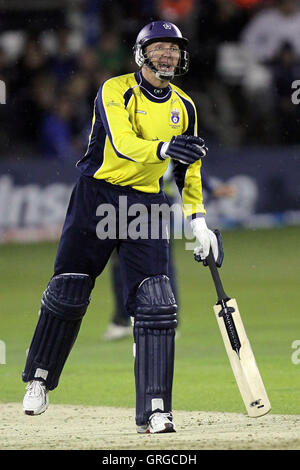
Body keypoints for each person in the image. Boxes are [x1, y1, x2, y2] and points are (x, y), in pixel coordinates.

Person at [21, 20, 223, 434]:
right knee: (70, 289)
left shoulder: (185, 106)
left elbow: (190, 170)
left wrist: (199, 221)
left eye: (173, 48)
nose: (167, 54)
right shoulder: (115, 90)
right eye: (159, 47)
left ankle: (155, 410)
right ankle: (39, 379)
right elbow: (123, 144)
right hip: (97, 195)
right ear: (141, 53)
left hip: (145, 203)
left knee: (156, 303)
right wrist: (165, 147)